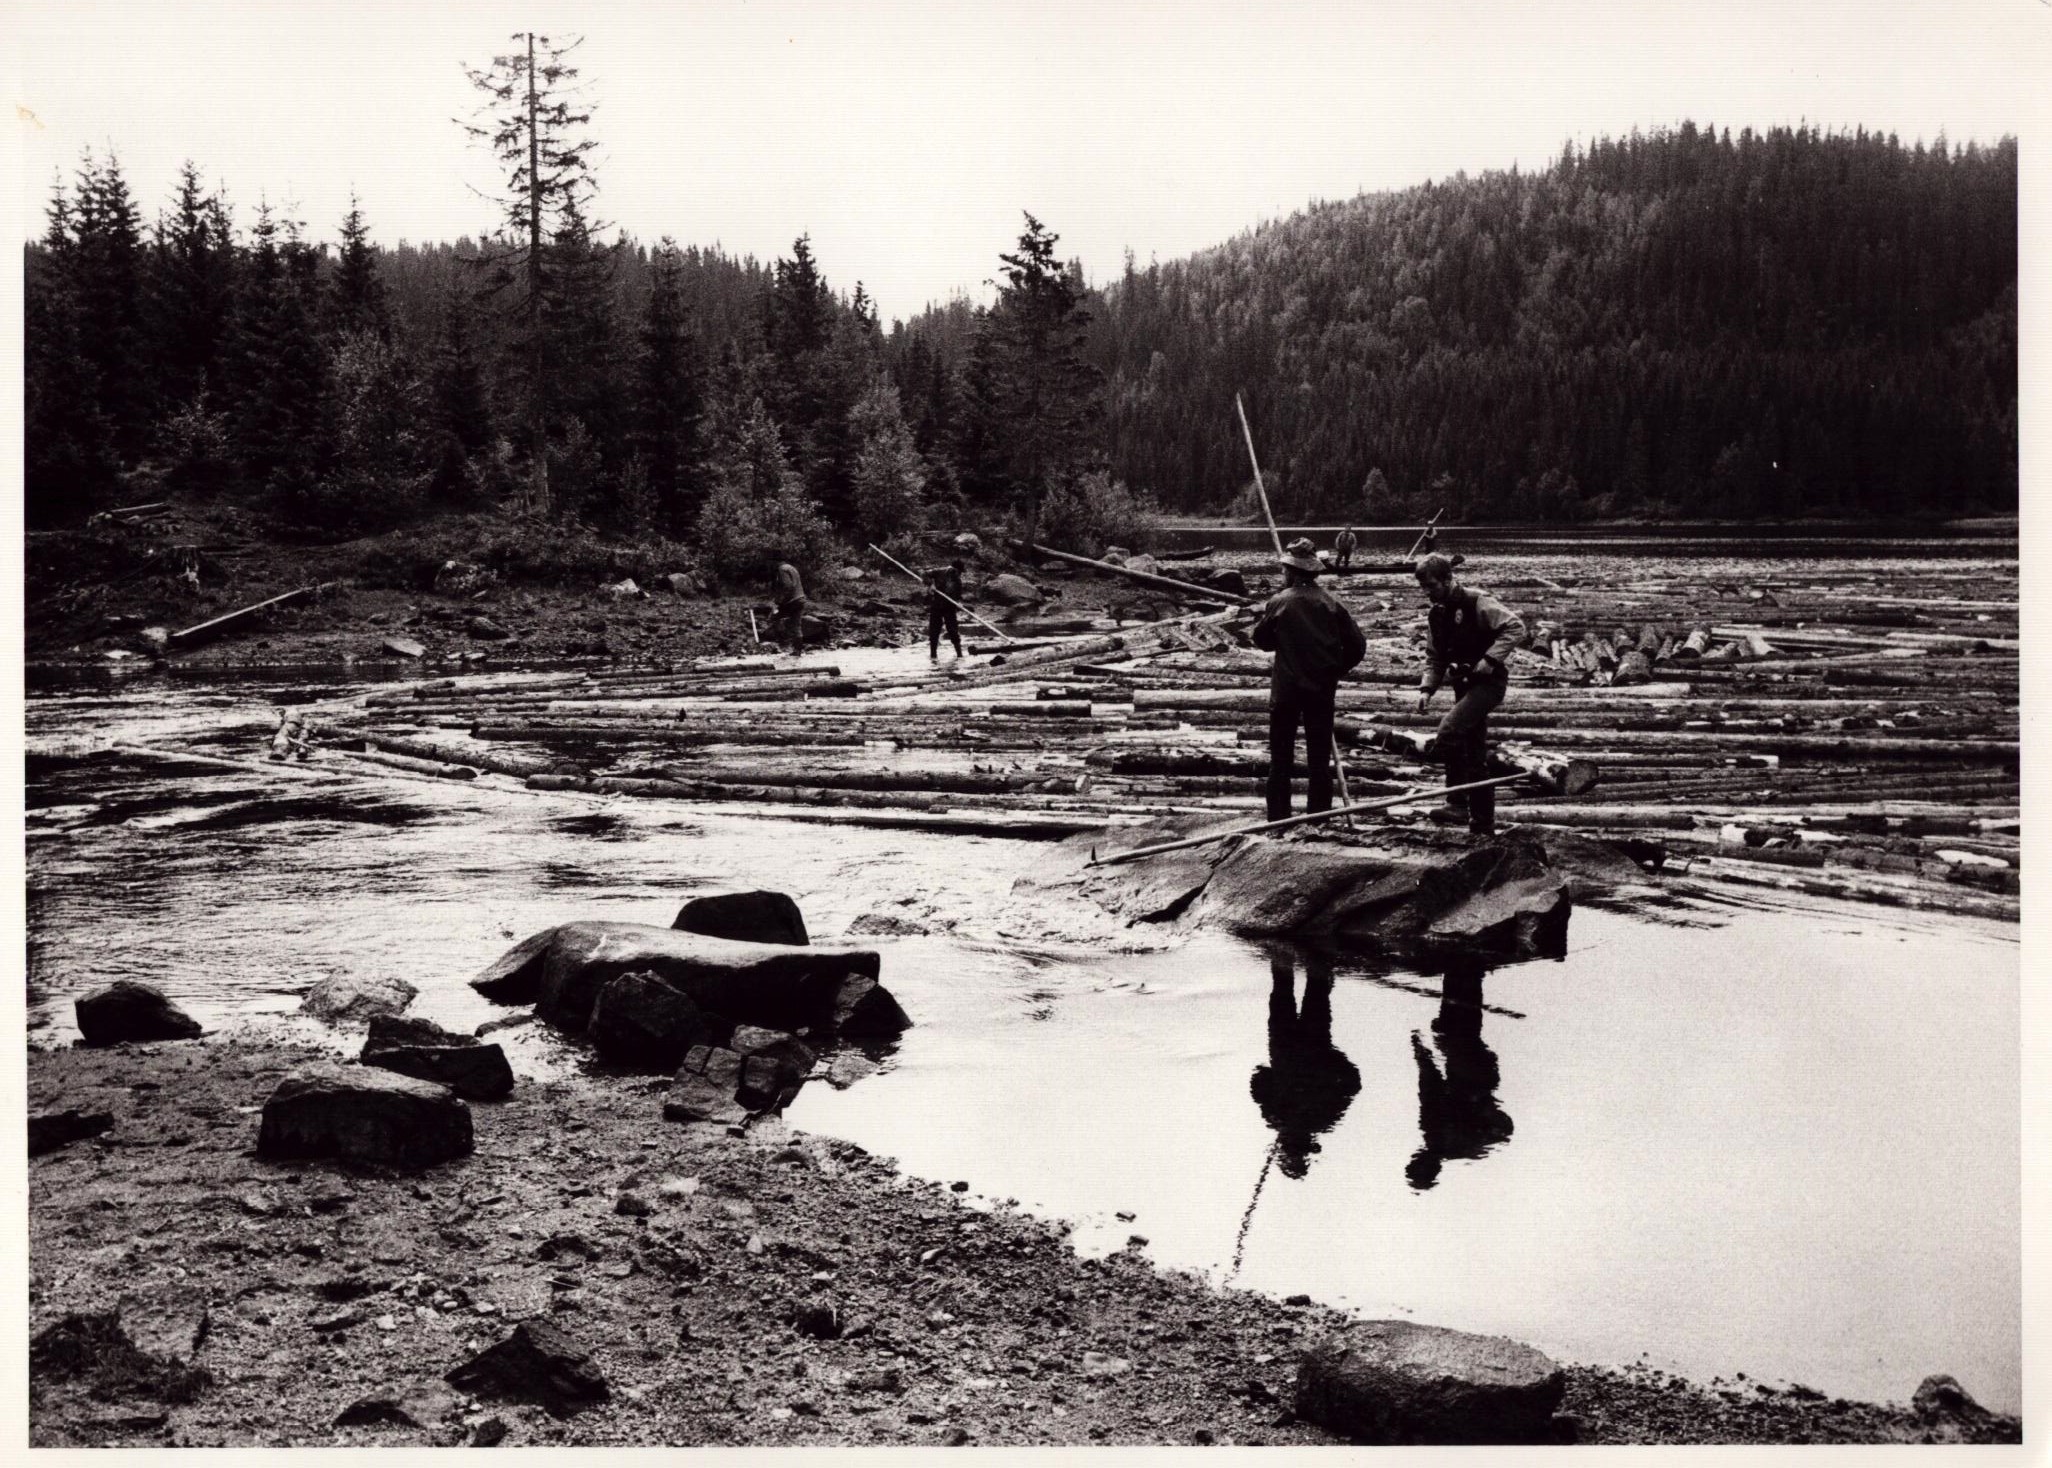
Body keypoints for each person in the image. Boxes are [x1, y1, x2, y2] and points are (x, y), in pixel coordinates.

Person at [1251, 537, 1367, 822]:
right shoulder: (1332, 603)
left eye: (1284, 570)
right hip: (1321, 691)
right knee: (1319, 760)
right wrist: (1335, 670)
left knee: (1281, 759)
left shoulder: (1280, 602)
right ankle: (1319, 819)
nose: (1283, 574)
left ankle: (1278, 819)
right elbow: (1358, 647)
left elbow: (1261, 640)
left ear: (1292, 571)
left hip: (1286, 692)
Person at [1414, 551, 1526, 836]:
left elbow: (1514, 626)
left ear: (1449, 579)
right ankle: (1481, 821)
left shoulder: (1477, 601)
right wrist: (1427, 689)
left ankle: (1459, 802)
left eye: (1432, 586)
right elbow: (1434, 657)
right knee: (1473, 752)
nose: (1428, 593)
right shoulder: (1437, 614)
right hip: (1462, 685)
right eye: (1424, 587)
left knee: (1450, 732)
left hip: (1488, 685)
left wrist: (1489, 660)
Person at [924, 558, 966, 660]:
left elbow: (958, 596)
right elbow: (924, 574)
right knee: (934, 631)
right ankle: (933, 656)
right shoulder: (939, 572)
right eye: (959, 572)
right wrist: (931, 584)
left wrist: (959, 603)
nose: (960, 574)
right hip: (936, 606)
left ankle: (960, 656)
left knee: (953, 631)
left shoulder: (958, 581)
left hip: (949, 608)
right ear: (953, 569)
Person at [771, 559, 808, 651]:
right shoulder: (792, 568)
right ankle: (798, 650)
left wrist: (780, 601)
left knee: (774, 617)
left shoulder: (782, 569)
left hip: (792, 601)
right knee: (796, 625)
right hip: (800, 599)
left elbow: (787, 586)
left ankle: (782, 644)